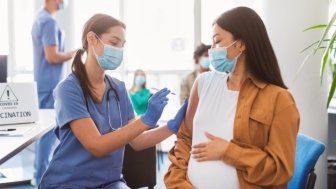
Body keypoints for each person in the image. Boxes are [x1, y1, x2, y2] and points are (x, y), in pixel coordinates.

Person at [38, 13, 188, 189]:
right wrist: (146, 120)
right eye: (114, 43)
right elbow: (96, 146)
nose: (119, 51)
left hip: (108, 182)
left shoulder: (118, 88)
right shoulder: (69, 89)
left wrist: (172, 126)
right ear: (92, 39)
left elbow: (137, 141)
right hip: (69, 181)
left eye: (122, 45)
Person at [165, 6, 300, 189]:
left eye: (217, 41)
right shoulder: (203, 83)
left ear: (241, 45)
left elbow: (280, 170)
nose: (212, 49)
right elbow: (184, 140)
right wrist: (179, 184)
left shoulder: (280, 99)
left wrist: (228, 151)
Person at [31, 0, 75, 186]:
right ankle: (42, 176)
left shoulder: (40, 19)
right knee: (48, 133)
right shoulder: (48, 21)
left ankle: (40, 174)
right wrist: (74, 53)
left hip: (45, 83)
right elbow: (52, 56)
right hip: (49, 85)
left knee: (46, 134)